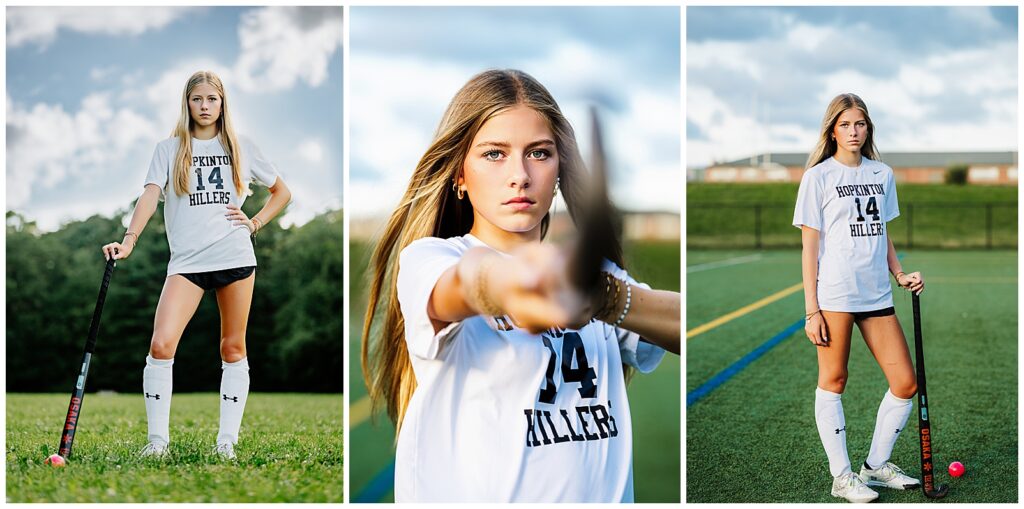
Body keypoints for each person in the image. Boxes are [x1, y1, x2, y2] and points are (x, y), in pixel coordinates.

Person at [360, 69, 681, 502]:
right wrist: (523, 283)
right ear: (459, 174)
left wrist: (607, 297)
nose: (520, 175)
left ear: (561, 170)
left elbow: (681, 322)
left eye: (539, 153)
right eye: (494, 154)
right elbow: (472, 281)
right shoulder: (430, 259)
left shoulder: (600, 276)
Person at [101, 70, 291, 460]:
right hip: (186, 262)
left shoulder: (241, 146)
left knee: (233, 347)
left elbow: (281, 192)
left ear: (223, 104)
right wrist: (129, 240)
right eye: (197, 99)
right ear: (186, 103)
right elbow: (150, 196)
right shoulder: (168, 150)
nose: (205, 107)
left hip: (235, 255)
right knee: (161, 343)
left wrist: (254, 222)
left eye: (212, 99)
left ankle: (227, 444)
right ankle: (157, 443)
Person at [793, 93, 925, 503]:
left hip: (877, 294)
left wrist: (899, 272)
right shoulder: (818, 177)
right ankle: (842, 477)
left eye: (861, 124)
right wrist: (811, 309)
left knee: (905, 383)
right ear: (832, 129)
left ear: (868, 129)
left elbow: (883, 234)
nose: (854, 131)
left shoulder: (882, 174)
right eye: (846, 124)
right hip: (834, 295)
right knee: (834, 381)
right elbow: (809, 248)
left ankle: (875, 466)